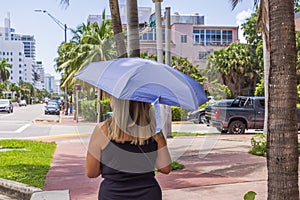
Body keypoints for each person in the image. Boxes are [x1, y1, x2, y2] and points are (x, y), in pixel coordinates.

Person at [86, 96, 172, 200]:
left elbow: (91, 172)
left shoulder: (103, 130)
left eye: (112, 97)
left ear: (118, 103)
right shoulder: (154, 130)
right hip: (148, 194)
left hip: (112, 194)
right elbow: (165, 168)